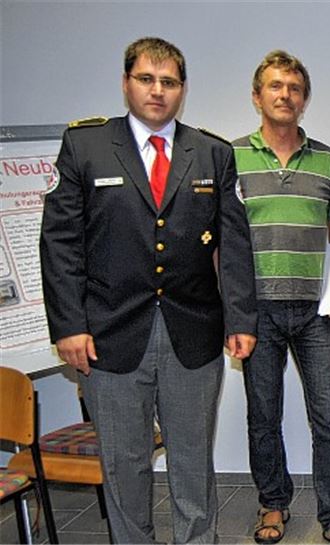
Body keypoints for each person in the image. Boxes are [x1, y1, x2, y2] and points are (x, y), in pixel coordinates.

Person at [39, 37, 257, 544]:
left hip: (194, 333)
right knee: (125, 464)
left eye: (169, 82)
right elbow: (61, 243)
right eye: (146, 79)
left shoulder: (213, 153)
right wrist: (69, 326)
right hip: (109, 335)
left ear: (183, 89)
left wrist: (241, 319)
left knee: (192, 461)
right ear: (126, 83)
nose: (157, 91)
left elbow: (234, 245)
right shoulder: (86, 146)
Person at [233, 50, 330, 545]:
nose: (284, 95)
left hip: (316, 311)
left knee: (329, 417)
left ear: (304, 100)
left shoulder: (328, 160)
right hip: (256, 311)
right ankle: (273, 504)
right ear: (257, 96)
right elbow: (222, 239)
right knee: (263, 416)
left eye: (294, 88)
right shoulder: (231, 158)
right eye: (275, 86)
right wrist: (229, 309)